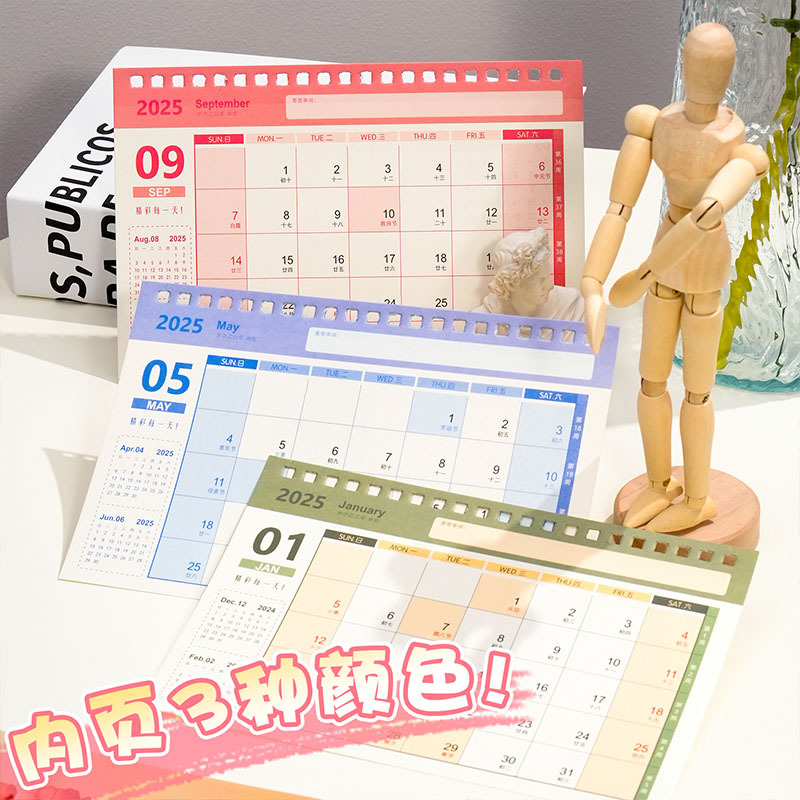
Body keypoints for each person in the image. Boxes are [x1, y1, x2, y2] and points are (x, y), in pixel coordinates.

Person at [473, 228, 584, 320]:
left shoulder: (571, 308)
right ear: (511, 284)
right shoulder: (484, 320)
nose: (550, 286)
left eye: (547, 276)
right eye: (540, 281)